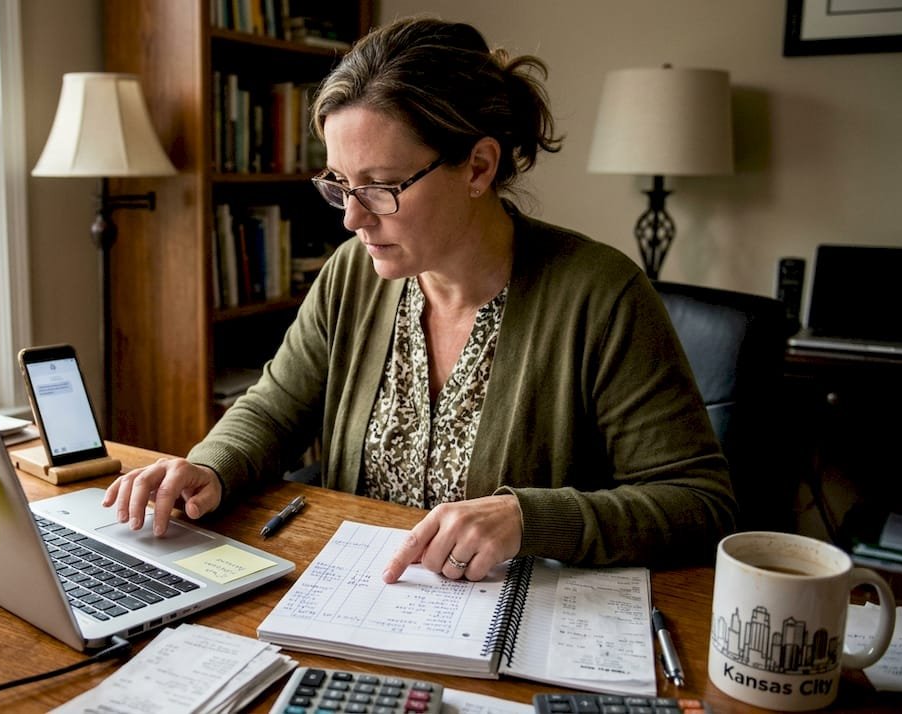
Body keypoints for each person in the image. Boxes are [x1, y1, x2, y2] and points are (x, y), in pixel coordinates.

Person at [104, 15, 736, 582]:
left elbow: (697, 501)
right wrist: (210, 466)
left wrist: (528, 518)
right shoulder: (352, 274)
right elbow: (273, 410)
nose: (352, 218)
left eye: (380, 187)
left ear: (479, 168)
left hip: (516, 631)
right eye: (339, 184)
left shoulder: (601, 295)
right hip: (360, 605)